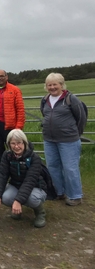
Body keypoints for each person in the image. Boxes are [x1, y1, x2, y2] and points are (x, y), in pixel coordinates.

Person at [41, 73, 87, 206]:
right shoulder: (45, 100)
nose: (52, 87)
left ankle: (75, 195)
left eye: (55, 84)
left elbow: (81, 118)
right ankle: (58, 192)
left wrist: (75, 134)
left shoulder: (71, 99)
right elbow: (45, 114)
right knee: (53, 166)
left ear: (62, 85)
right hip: (49, 140)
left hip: (69, 140)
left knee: (70, 168)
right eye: (49, 85)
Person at [0, 129, 48, 228]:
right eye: (13, 143)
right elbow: (3, 175)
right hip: (16, 184)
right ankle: (17, 210)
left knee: (31, 198)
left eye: (19, 143)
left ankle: (40, 212)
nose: (16, 146)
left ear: (24, 143)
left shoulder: (34, 158)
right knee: (6, 197)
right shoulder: (7, 155)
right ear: (9, 144)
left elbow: (29, 181)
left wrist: (18, 201)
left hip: (36, 187)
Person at [0, 69, 25, 180]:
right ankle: (0, 172)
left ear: (6, 77)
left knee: (14, 149)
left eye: (1, 76)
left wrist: (18, 128)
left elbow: (20, 110)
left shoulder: (15, 90)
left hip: (10, 125)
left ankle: (16, 172)